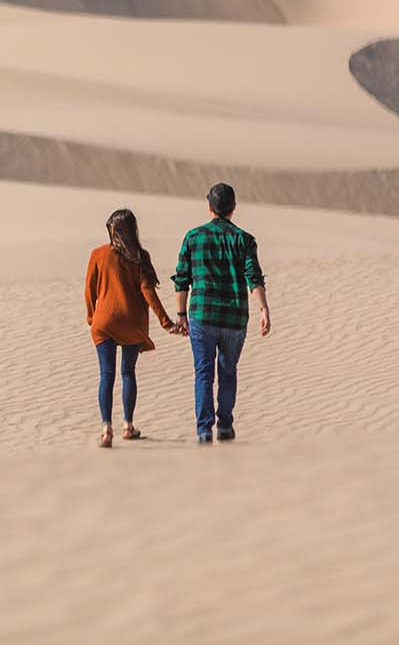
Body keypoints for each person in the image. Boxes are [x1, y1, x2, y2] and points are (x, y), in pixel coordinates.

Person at [174, 182, 270, 444]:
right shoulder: (244, 240)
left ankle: (204, 430)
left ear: (209, 207)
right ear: (233, 208)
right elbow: (253, 277)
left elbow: (182, 278)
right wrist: (263, 308)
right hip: (234, 317)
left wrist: (181, 314)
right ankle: (225, 425)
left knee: (203, 374)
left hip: (202, 316)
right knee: (228, 371)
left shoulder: (193, 237)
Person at [85, 207, 183, 447]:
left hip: (104, 323)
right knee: (128, 373)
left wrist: (92, 318)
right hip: (132, 323)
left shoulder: (98, 254)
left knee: (106, 374)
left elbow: (90, 290)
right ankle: (128, 426)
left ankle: (106, 429)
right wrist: (166, 322)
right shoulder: (140, 256)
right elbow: (148, 292)